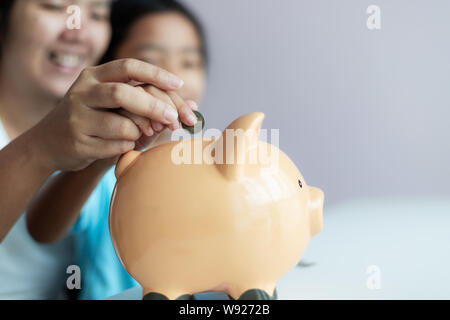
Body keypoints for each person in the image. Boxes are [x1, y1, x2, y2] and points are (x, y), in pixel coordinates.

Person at [0, 0, 197, 299]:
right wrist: (40, 148)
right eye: (54, 6)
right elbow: (42, 227)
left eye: (97, 14)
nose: (78, 32)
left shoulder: (101, 136)